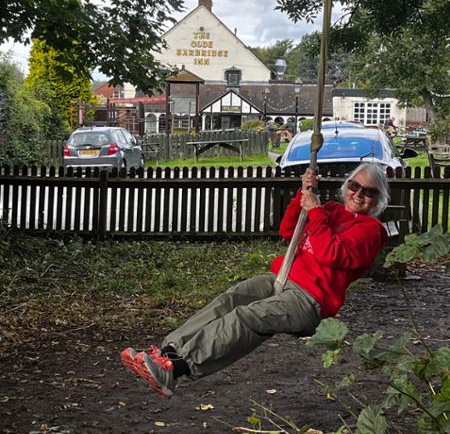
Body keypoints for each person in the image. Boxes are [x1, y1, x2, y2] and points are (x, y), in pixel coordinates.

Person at [121, 163, 389, 398]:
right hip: (281, 279)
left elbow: (330, 253)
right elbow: (287, 231)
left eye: (369, 191)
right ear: (347, 186)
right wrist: (303, 195)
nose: (359, 194)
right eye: (355, 185)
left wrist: (316, 212)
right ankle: (167, 354)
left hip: (308, 300)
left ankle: (179, 368)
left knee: (245, 317)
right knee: (229, 300)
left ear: (378, 200)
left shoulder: (371, 231)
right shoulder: (329, 210)